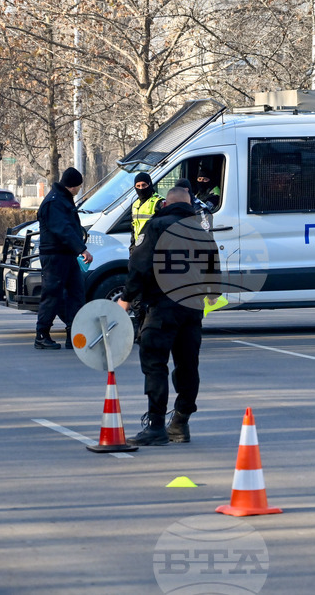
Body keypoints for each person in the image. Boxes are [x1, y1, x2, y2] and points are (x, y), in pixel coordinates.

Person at [118, 187, 220, 446]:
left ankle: (155, 426)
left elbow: (139, 264)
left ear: (165, 204)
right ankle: (181, 422)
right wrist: (212, 292)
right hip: (193, 307)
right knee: (188, 364)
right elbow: (213, 263)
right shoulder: (200, 228)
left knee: (154, 363)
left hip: (163, 305)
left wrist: (127, 298)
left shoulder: (156, 226)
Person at [35, 167, 93, 350]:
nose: (79, 189)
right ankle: (42, 335)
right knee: (52, 295)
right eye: (79, 186)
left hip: (66, 255)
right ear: (73, 185)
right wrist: (82, 249)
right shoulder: (55, 202)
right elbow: (63, 229)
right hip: (55, 256)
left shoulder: (62, 199)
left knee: (76, 294)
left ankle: (74, 334)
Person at [130, 172, 162, 251]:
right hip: (139, 249)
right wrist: (132, 249)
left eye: (144, 185)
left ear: (150, 185)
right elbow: (133, 229)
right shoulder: (135, 204)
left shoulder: (159, 202)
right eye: (138, 186)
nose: (141, 188)